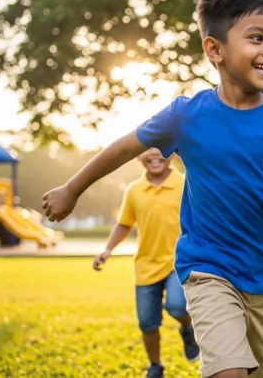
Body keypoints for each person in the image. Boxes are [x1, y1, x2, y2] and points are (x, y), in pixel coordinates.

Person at [42, 0, 263, 378]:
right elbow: (124, 147)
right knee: (228, 372)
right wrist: (72, 188)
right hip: (208, 268)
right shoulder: (186, 115)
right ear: (214, 49)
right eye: (257, 38)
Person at [92, 148, 198, 378]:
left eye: (161, 150)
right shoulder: (134, 190)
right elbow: (124, 223)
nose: (154, 155)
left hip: (179, 262)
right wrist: (107, 249)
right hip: (146, 264)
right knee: (147, 322)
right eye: (148, 151)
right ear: (139, 157)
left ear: (173, 154)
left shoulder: (185, 184)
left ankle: (187, 329)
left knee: (177, 305)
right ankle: (155, 366)